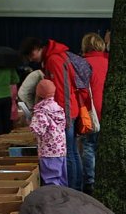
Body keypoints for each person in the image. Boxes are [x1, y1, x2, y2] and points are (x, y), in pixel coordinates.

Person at [20, 37, 83, 191]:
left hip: (66, 112)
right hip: (67, 110)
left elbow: (62, 90)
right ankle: (76, 189)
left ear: (37, 48)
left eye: (31, 55)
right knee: (72, 152)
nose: (31, 59)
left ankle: (73, 190)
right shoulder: (56, 57)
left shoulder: (54, 60)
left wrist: (63, 118)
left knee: (69, 154)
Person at [81, 31, 108, 195]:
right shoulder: (109, 61)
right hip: (109, 110)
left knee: (89, 146)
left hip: (91, 111)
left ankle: (90, 183)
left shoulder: (82, 64)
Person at [30, 79, 67, 186]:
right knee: (62, 180)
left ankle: (54, 197)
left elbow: (38, 129)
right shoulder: (58, 108)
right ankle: (63, 196)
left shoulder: (41, 111)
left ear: (38, 94)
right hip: (61, 150)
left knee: (51, 181)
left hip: (48, 152)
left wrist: (32, 122)